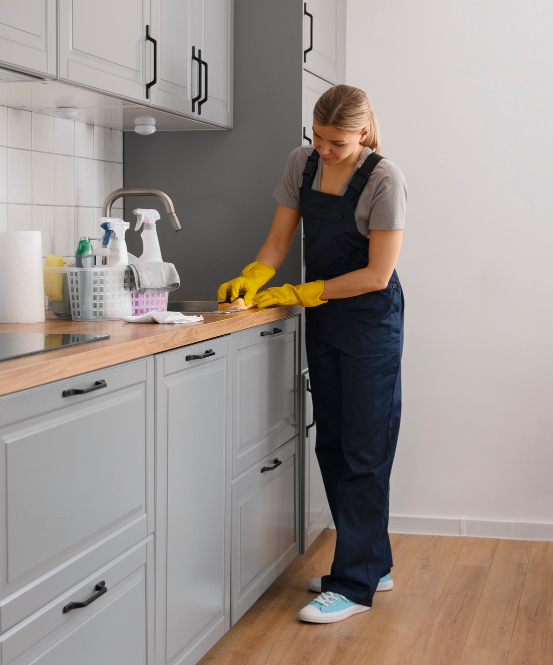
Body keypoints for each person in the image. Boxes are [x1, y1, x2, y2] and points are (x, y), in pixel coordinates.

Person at [218, 84, 407, 624]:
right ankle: (372, 561)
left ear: (363, 133)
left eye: (337, 143)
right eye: (318, 137)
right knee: (333, 446)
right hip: (325, 321)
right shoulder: (301, 163)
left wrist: (303, 292)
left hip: (370, 322)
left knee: (365, 453)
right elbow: (278, 243)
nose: (323, 150)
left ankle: (352, 585)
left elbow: (377, 274)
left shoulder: (384, 179)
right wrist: (255, 276)